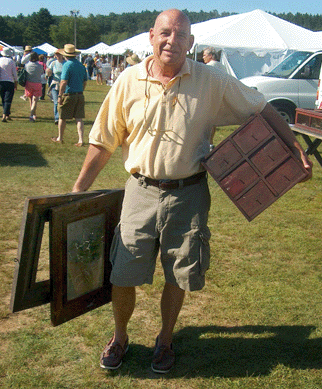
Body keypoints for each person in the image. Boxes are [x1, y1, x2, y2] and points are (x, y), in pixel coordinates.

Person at [72, 9, 312, 374]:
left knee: (179, 273)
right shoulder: (127, 81)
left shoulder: (212, 81)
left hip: (189, 193)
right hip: (140, 191)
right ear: (150, 36)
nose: (172, 41)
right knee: (122, 272)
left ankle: (165, 339)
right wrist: (77, 191)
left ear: (191, 42)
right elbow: (102, 142)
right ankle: (119, 336)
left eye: (181, 35)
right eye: (165, 33)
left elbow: (262, 107)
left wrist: (294, 150)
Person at [51, 44, 87, 146]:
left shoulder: (67, 65)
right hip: (79, 94)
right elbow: (85, 81)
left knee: (62, 117)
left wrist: (60, 96)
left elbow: (63, 81)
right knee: (79, 118)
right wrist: (81, 90)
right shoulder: (81, 65)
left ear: (65, 55)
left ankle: (60, 138)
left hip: (68, 94)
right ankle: (80, 140)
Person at [46, 50, 66, 124]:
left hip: (64, 85)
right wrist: (47, 73)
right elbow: (48, 71)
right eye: (56, 55)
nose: (57, 56)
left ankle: (63, 117)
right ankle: (57, 118)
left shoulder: (65, 64)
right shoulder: (53, 63)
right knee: (56, 102)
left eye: (59, 55)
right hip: (55, 84)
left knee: (63, 102)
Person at [24, 52, 44, 122]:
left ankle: (33, 114)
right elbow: (41, 73)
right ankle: (32, 115)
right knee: (35, 100)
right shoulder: (40, 66)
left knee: (30, 99)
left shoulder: (27, 65)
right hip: (37, 83)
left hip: (29, 83)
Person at [0, 47, 18, 122]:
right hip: (9, 82)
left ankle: (7, 114)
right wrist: (16, 83)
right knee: (8, 100)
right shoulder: (11, 61)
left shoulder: (0, 60)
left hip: (1, 81)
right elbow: (15, 74)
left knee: (3, 99)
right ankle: (5, 115)